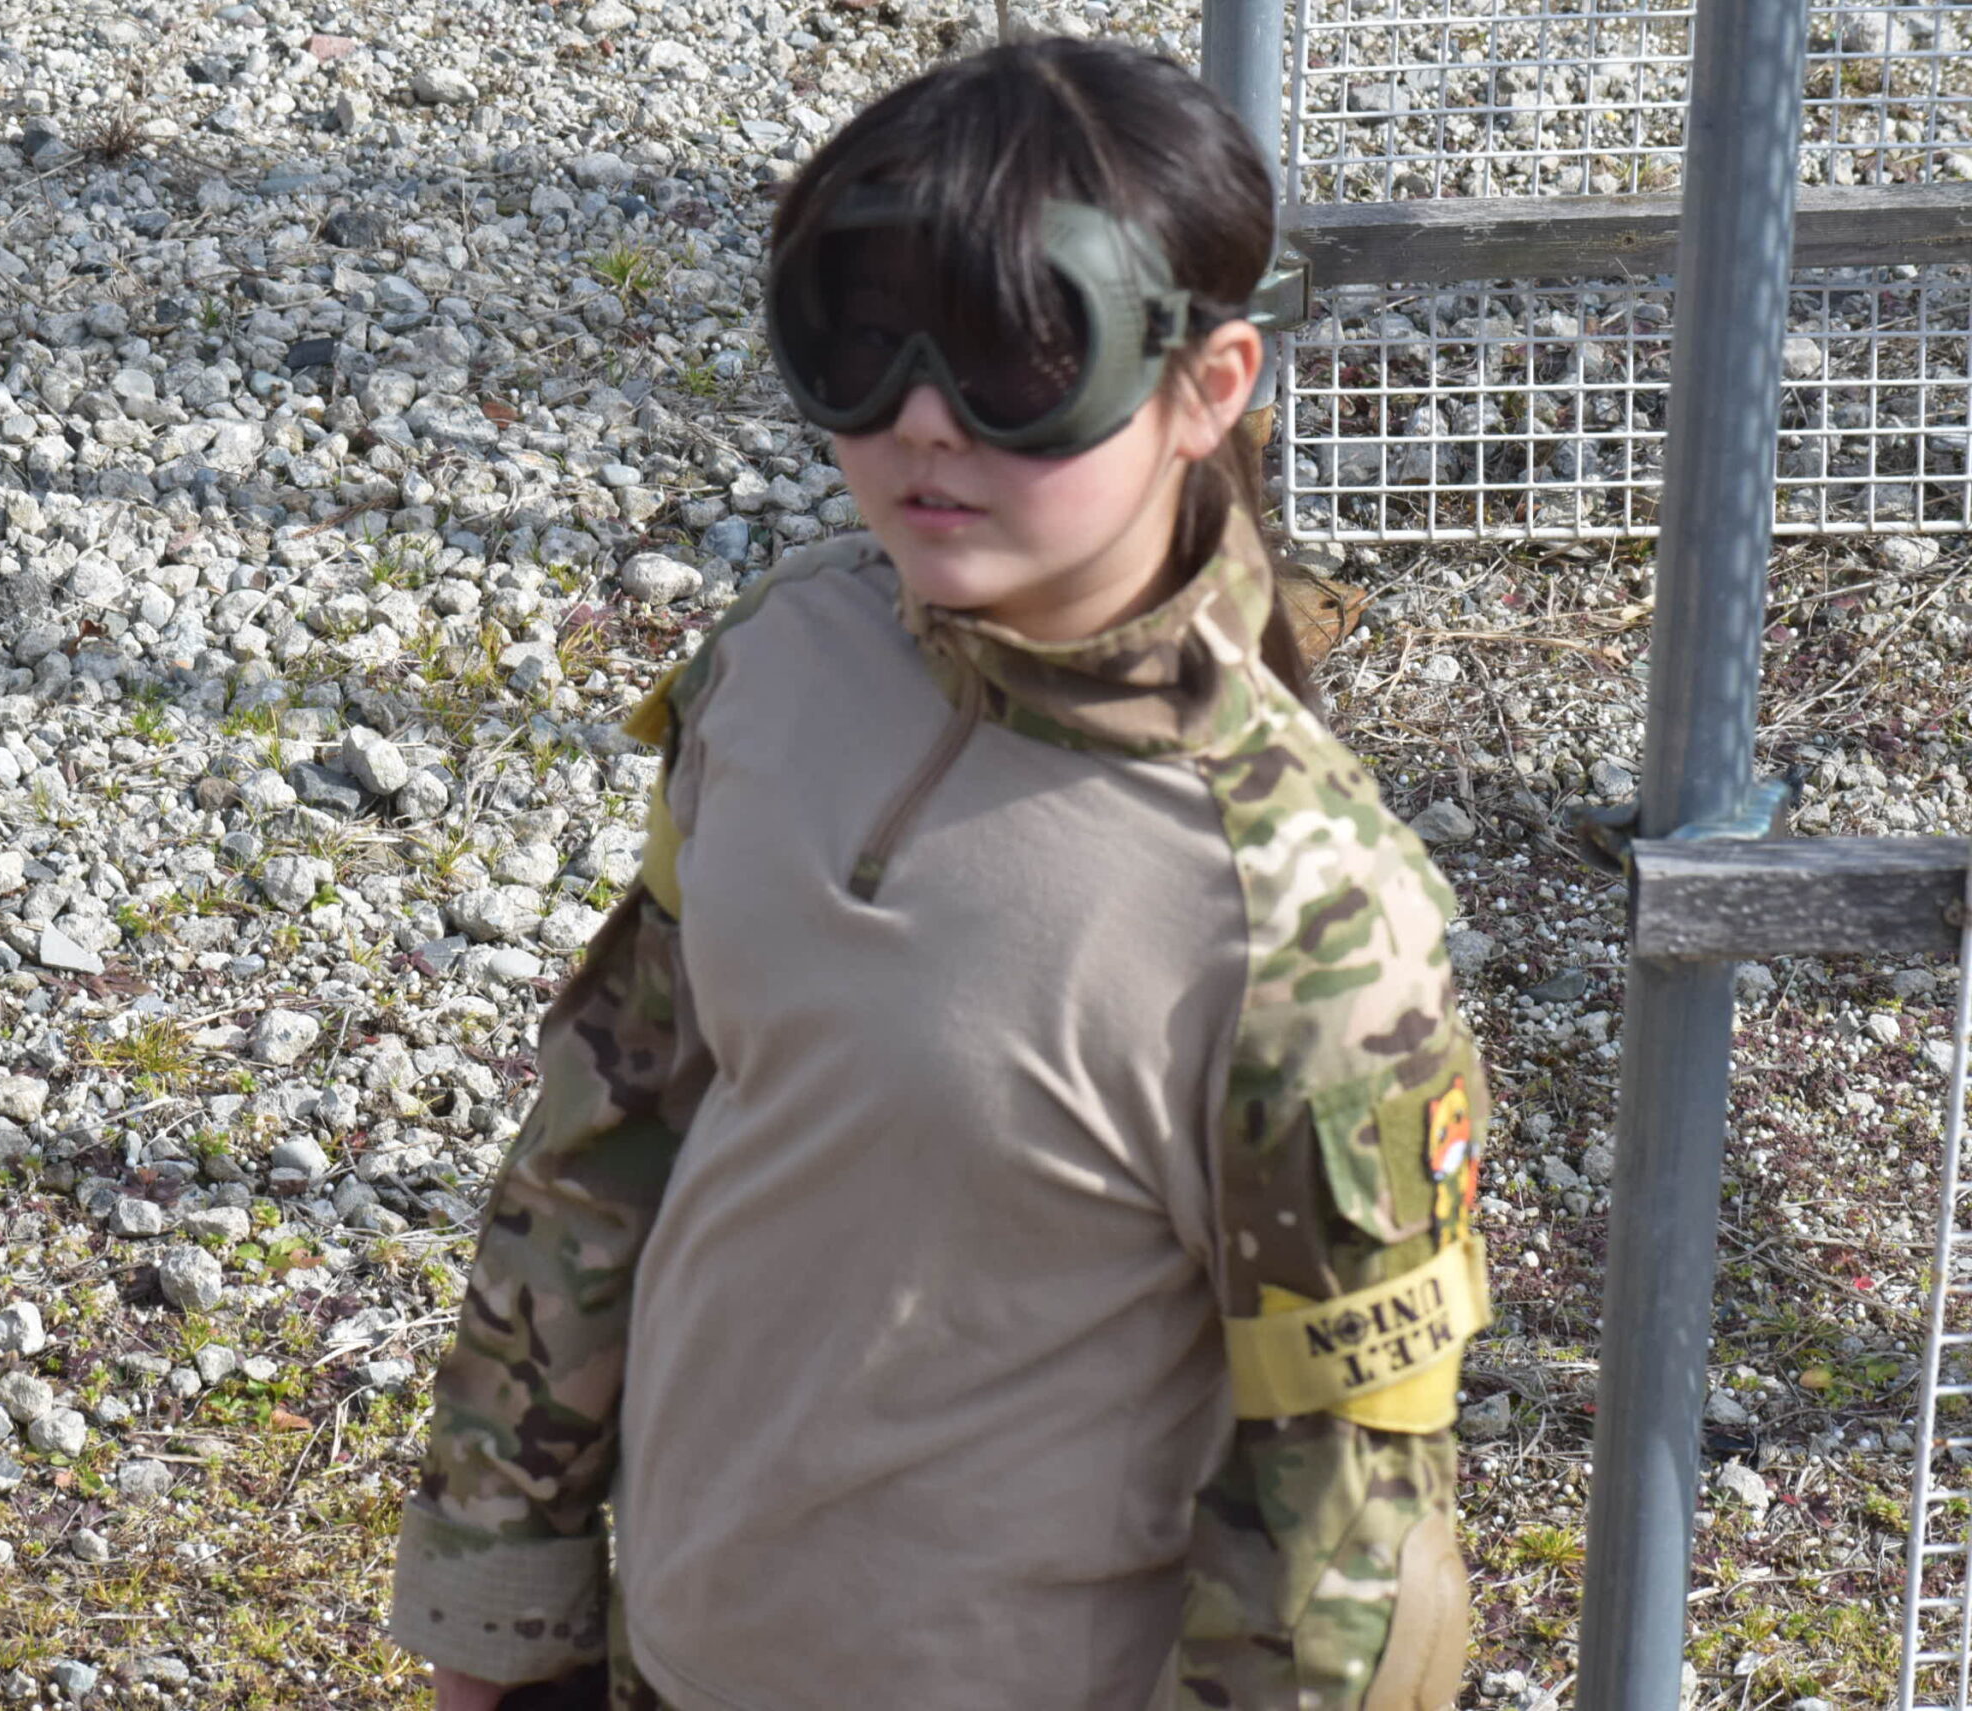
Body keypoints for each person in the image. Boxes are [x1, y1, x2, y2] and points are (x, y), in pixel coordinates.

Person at [391, 34, 1489, 1711]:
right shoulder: (779, 666)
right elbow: (602, 1144)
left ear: (1209, 386)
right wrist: (498, 1616)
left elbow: (1342, 1532)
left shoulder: (1300, 916)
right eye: (865, 342)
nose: (920, 421)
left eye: (1018, 355)